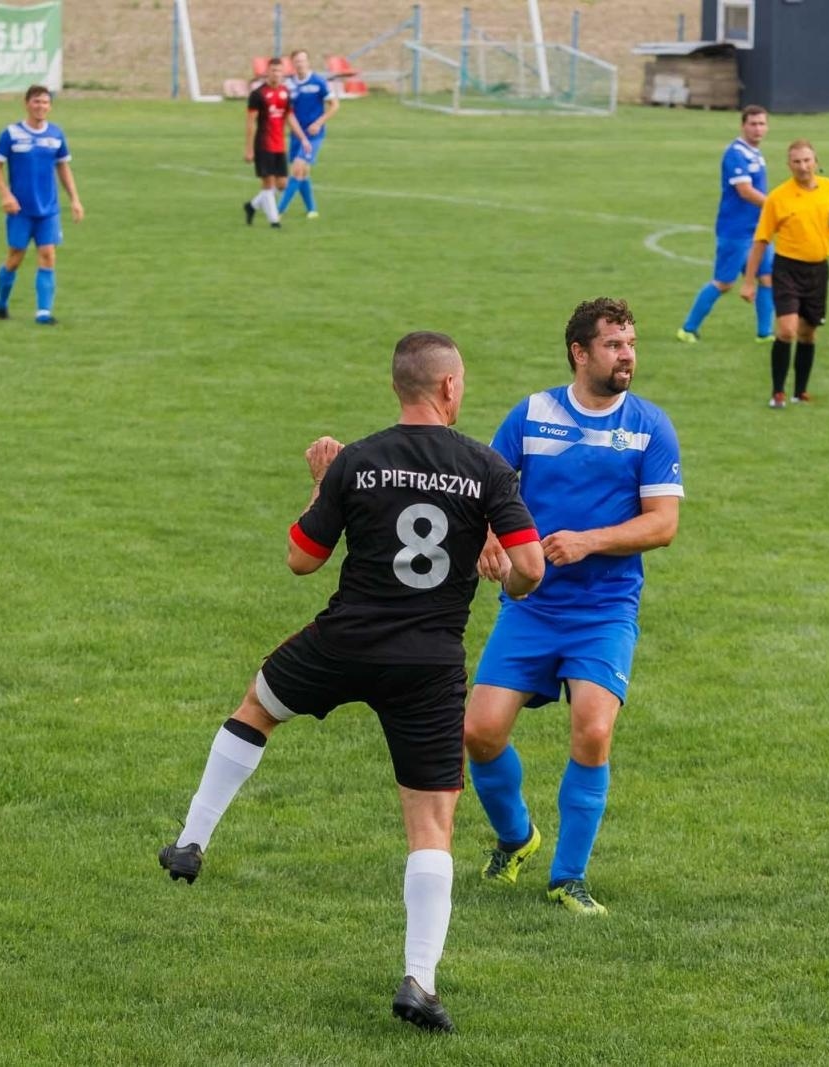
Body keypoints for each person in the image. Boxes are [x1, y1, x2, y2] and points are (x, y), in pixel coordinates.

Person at [157, 331, 544, 1034]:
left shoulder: (358, 460)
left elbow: (302, 560)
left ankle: (191, 839)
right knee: (431, 824)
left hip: (346, 641)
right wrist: (502, 566)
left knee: (258, 705)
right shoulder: (485, 467)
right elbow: (533, 568)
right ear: (449, 387)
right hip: (428, 664)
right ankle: (418, 980)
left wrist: (320, 482)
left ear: (400, 388)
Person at [465, 297, 683, 917]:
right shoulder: (531, 414)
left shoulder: (649, 425)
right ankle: (516, 838)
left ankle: (569, 879)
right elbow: (489, 489)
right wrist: (486, 535)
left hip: (606, 608)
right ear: (579, 352)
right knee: (478, 732)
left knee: (592, 729)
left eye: (632, 344)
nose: (628, 355)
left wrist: (588, 541)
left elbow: (663, 525)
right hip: (531, 604)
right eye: (615, 345)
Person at [740, 140, 829, 409]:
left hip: (818, 270)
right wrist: (750, 281)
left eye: (807, 160)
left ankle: (801, 391)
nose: (803, 166)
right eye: (797, 162)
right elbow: (761, 240)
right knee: (787, 330)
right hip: (787, 269)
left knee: (808, 333)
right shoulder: (778, 197)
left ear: (816, 161)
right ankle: (778, 392)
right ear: (789, 165)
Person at [676, 105, 776, 344]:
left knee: (768, 277)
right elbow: (745, 191)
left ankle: (765, 334)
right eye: (753, 124)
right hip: (735, 230)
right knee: (724, 282)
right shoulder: (735, 153)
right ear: (743, 125)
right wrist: (776, 206)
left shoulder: (755, 153)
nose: (758, 128)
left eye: (762, 124)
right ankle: (688, 329)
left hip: (759, 230)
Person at [0, 84, 83, 324]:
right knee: (15, 257)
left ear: (50, 106)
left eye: (45, 102)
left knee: (48, 255)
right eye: (36, 102)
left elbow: (63, 167)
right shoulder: (11, 134)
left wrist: (74, 199)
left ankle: (43, 313)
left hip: (48, 209)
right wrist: (6, 195)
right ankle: (1, 301)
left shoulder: (56, 135)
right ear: (27, 103)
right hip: (20, 209)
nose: (41, 106)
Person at [244, 58, 307, 229]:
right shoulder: (258, 95)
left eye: (279, 71)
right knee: (268, 183)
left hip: (279, 145)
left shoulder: (285, 93)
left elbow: (289, 116)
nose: (276, 74)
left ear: (283, 73)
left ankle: (251, 206)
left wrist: (303, 138)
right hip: (263, 145)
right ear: (267, 72)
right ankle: (274, 221)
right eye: (273, 70)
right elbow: (250, 123)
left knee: (282, 185)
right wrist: (249, 149)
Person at [277, 48, 339, 219]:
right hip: (296, 134)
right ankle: (312, 209)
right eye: (297, 61)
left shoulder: (319, 82)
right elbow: (286, 109)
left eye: (303, 60)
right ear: (293, 64)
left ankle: (278, 210)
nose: (300, 64)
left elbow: (334, 105)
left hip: (313, 135)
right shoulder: (289, 84)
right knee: (303, 172)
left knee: (297, 168)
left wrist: (319, 123)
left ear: (308, 62)